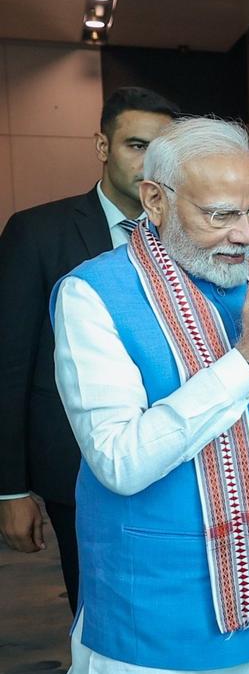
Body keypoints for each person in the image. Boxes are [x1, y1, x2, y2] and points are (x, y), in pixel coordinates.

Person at [52, 116, 249, 674]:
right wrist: (247, 360)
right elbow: (119, 461)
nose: (245, 235)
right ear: (155, 201)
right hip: (164, 615)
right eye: (219, 215)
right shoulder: (91, 294)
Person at [0, 86, 179, 613]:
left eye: (162, 151)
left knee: (169, 598)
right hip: (75, 462)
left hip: (176, 449)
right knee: (98, 605)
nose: (150, 163)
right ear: (102, 145)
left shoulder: (187, 233)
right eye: (136, 145)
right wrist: (10, 489)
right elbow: (8, 366)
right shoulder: (36, 233)